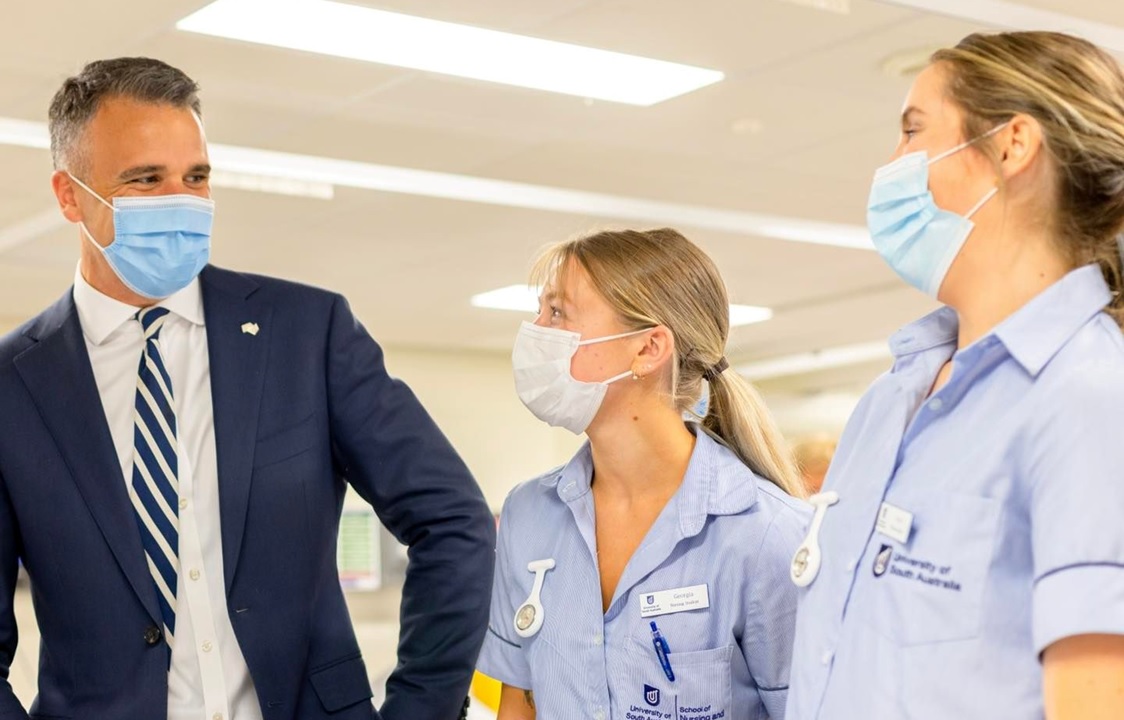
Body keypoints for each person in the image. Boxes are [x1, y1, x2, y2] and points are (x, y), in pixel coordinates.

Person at [0, 57, 495, 720]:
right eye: (146, 179)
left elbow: (454, 522)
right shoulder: (13, 387)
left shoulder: (308, 334)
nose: (182, 199)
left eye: (196, 176)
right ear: (69, 195)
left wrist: (418, 711)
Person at [786, 31, 1124, 720]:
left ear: (1011, 145)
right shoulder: (892, 399)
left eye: (913, 131)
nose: (894, 163)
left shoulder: (1087, 400)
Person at [477, 228, 810, 719]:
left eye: (558, 313)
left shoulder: (767, 535)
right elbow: (518, 704)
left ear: (648, 349)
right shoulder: (529, 516)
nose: (537, 330)